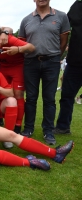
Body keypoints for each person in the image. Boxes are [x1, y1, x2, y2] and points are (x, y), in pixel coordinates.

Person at [18, 0, 70, 145]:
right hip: (30, 63)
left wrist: (54, 57)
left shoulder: (61, 16)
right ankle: (28, 129)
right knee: (31, 98)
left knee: (49, 99)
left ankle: (48, 131)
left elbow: (63, 41)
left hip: (52, 62)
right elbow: (21, 43)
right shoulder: (26, 20)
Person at [0, 16, 35, 134]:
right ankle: (0, 118)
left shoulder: (7, 39)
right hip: (3, 68)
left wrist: (18, 49)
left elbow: (31, 47)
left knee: (18, 94)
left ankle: (17, 126)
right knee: (0, 91)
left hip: (17, 67)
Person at [54, 0, 82, 134]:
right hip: (76, 60)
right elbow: (63, 27)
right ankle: (63, 126)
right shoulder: (77, 5)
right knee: (67, 95)